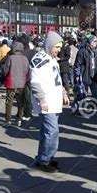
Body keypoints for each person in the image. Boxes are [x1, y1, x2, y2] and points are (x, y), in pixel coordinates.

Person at [30, 31, 69, 173]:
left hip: (54, 101)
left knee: (46, 132)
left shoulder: (52, 59)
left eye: (60, 47)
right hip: (46, 103)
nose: (59, 50)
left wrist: (64, 93)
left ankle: (44, 157)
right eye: (56, 47)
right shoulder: (40, 59)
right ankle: (45, 160)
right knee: (52, 132)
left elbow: (57, 80)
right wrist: (41, 100)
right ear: (49, 45)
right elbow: (34, 82)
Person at [2, 42, 29, 127]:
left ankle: (8, 120)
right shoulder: (25, 59)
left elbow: (6, 70)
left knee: (9, 102)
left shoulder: (10, 58)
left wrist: (5, 75)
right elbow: (27, 71)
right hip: (22, 83)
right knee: (20, 102)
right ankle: (19, 119)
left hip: (11, 82)